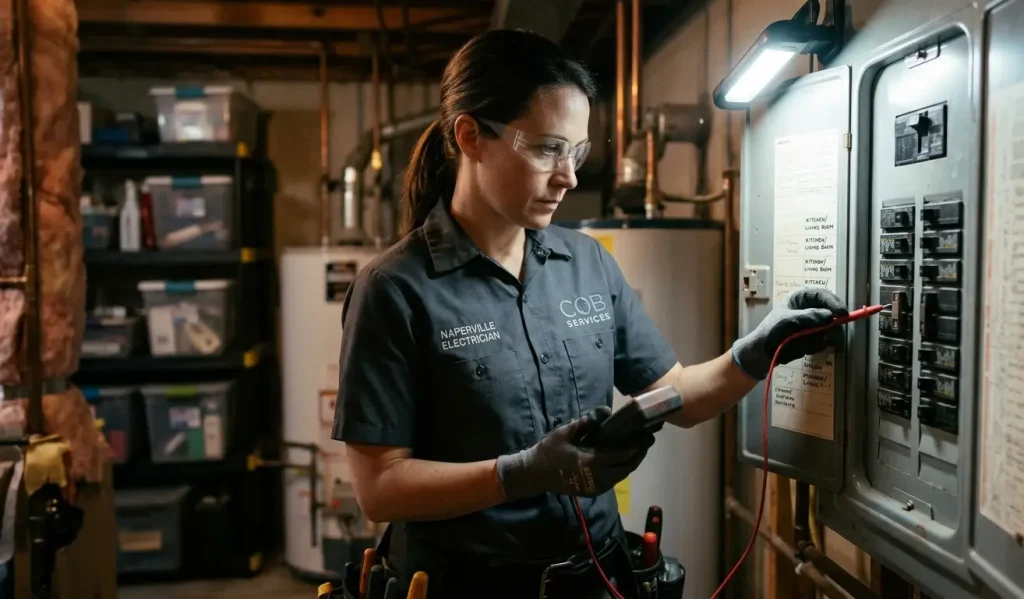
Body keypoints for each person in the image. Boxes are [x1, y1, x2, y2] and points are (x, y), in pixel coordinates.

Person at [333, 29, 849, 599]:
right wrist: (521, 473)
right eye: (547, 149)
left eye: (576, 153)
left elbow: (678, 395)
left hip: (597, 577)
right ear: (471, 137)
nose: (569, 176)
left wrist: (758, 349)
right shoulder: (394, 290)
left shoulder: (586, 264)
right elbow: (380, 489)